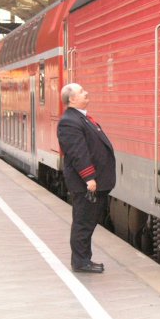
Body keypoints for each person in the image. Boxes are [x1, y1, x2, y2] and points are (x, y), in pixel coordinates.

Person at [57, 83, 116, 274]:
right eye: (81, 92)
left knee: (87, 223)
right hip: (86, 185)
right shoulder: (69, 122)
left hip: (91, 183)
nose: (86, 93)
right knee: (83, 223)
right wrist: (89, 178)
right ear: (72, 99)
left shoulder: (80, 118)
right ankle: (81, 262)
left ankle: (84, 259)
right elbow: (78, 153)